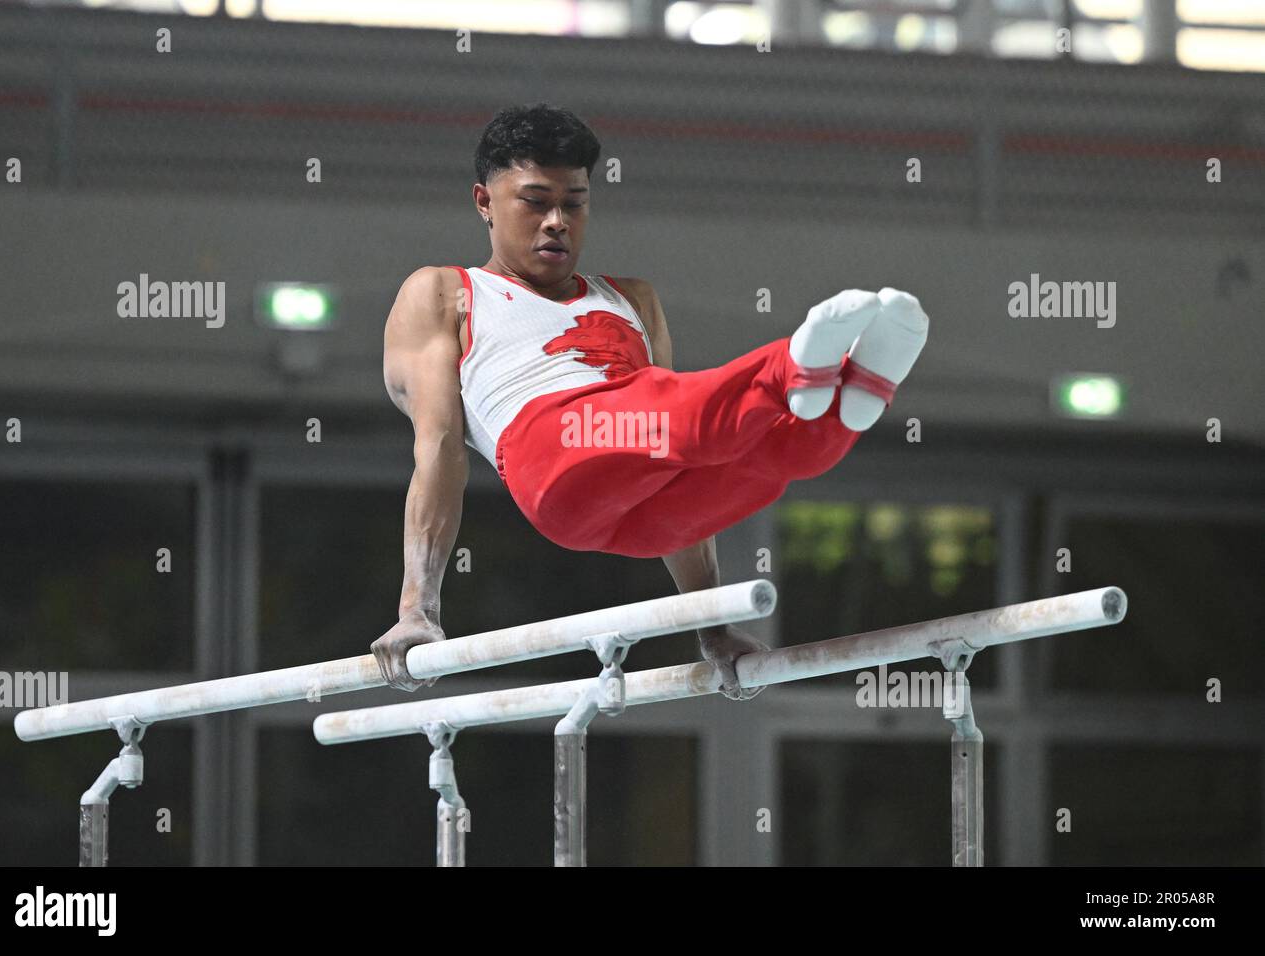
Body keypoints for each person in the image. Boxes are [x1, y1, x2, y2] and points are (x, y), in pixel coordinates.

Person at [372, 104, 928, 701]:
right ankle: (791, 366)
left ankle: (850, 398)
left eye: (575, 202)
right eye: (535, 201)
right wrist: (417, 608)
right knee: (671, 409)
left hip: (636, 509)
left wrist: (711, 630)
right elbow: (437, 449)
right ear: (484, 201)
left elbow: (680, 442)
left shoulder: (632, 299)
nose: (557, 221)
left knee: (764, 462)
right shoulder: (444, 291)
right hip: (550, 454)